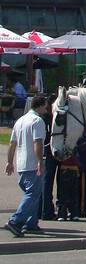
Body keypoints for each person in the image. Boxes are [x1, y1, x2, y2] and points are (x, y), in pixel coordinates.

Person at [4, 93, 49, 237]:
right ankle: (15, 221)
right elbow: (38, 142)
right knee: (33, 194)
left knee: (31, 194)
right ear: (41, 105)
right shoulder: (38, 121)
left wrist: (10, 162)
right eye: (46, 106)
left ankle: (31, 223)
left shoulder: (20, 121)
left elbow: (12, 144)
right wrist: (40, 162)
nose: (46, 109)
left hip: (21, 164)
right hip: (32, 163)